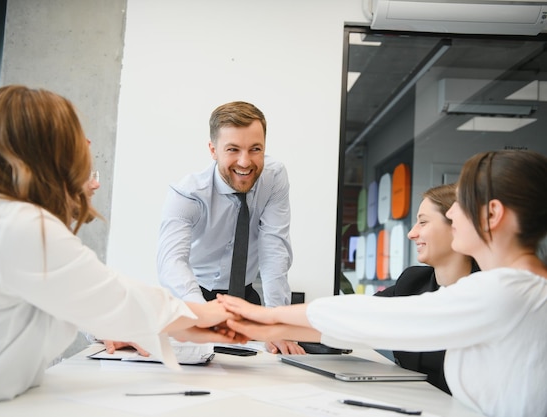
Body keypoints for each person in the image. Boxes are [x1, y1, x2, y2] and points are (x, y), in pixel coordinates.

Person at [0, 85, 243, 417]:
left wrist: (122, 324)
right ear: (47, 155)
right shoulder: (17, 225)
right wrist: (208, 315)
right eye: (77, 143)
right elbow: (113, 297)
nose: (88, 151)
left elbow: (78, 298)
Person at [219, 150, 547, 417]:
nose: (453, 215)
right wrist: (263, 324)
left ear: (492, 214)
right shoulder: (520, 287)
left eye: (461, 203)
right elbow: (377, 318)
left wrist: (261, 318)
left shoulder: (508, 291)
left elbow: (383, 317)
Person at [156, 101, 304, 355]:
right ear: (213, 150)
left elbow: (274, 250)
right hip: (196, 295)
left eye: (255, 149)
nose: (245, 162)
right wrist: (202, 313)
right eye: (233, 149)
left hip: (246, 297)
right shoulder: (187, 194)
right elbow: (171, 262)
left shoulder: (275, 178)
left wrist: (278, 323)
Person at [375, 183, 479, 394]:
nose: (411, 234)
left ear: (457, 226)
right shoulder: (413, 281)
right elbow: (361, 312)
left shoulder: (488, 292)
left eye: (423, 222)